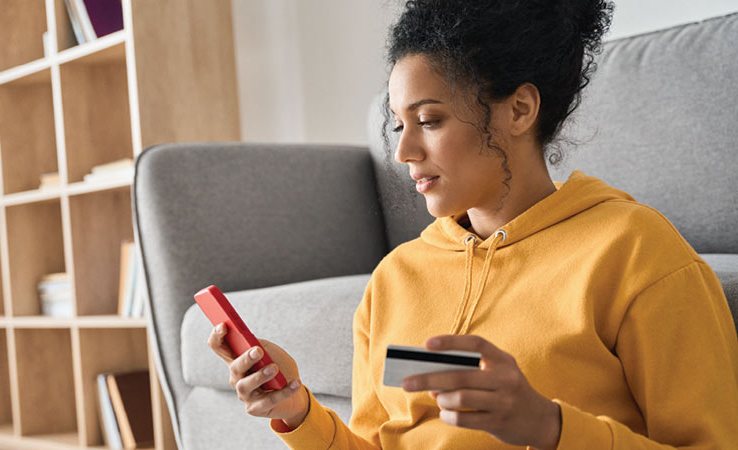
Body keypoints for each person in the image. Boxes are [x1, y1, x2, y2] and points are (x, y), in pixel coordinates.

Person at [208, 0, 738, 448]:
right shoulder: (396, 278)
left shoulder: (636, 252)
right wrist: (298, 410)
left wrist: (551, 428)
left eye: (429, 120)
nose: (402, 151)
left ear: (520, 109)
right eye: (398, 125)